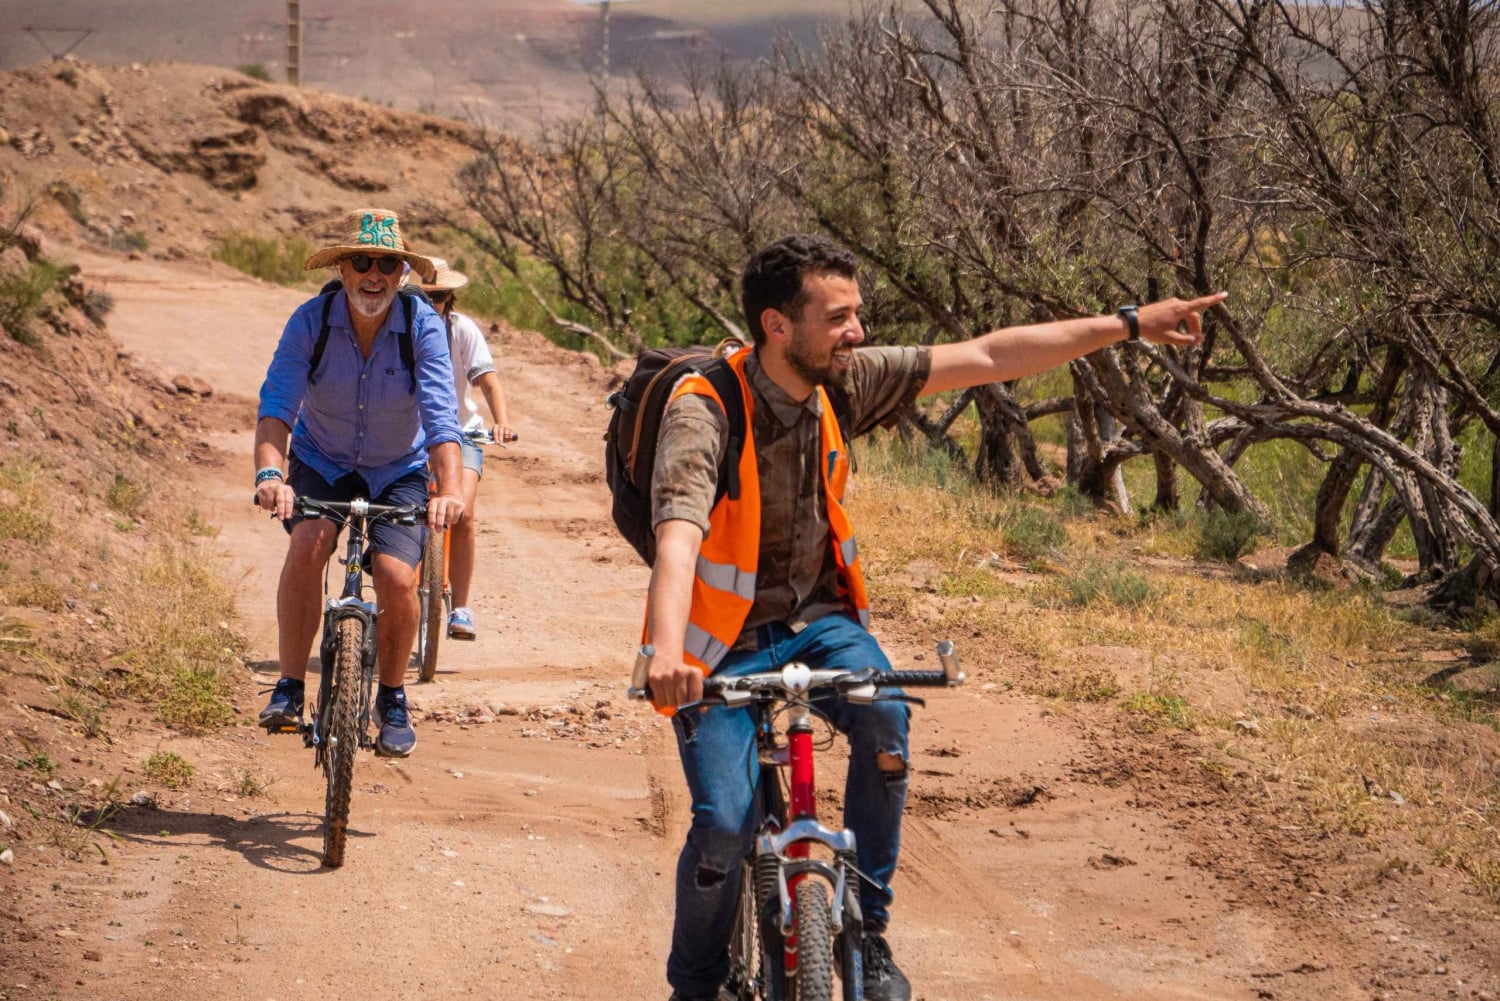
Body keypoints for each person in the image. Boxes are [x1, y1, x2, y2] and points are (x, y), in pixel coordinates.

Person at [644, 233, 1225, 1001]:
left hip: (819, 621)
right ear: (777, 326)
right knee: (723, 824)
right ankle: (696, 983)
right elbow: (677, 535)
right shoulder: (706, 409)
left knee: (885, 716)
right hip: (715, 643)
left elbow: (987, 357)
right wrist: (666, 655)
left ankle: (870, 936)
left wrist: (1128, 323)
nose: (859, 332)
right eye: (840, 316)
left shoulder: (841, 382)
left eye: (860, 315)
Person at [253, 208, 466, 758]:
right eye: (362, 262)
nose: (375, 274)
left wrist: (451, 493)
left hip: (398, 468)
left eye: (388, 264)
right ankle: (290, 687)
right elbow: (277, 407)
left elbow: (443, 420)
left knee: (397, 578)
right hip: (322, 460)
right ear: (343, 270)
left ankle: (392, 698)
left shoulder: (422, 327)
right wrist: (271, 473)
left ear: (401, 275)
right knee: (309, 544)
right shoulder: (311, 320)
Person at [413, 258, 514, 640]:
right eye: (423, 297)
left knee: (464, 513)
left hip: (462, 434)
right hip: (410, 438)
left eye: (438, 297)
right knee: (396, 514)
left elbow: (488, 382)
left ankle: (461, 608)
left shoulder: (462, 330)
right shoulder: (397, 330)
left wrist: (501, 420)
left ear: (449, 297)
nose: (431, 304)